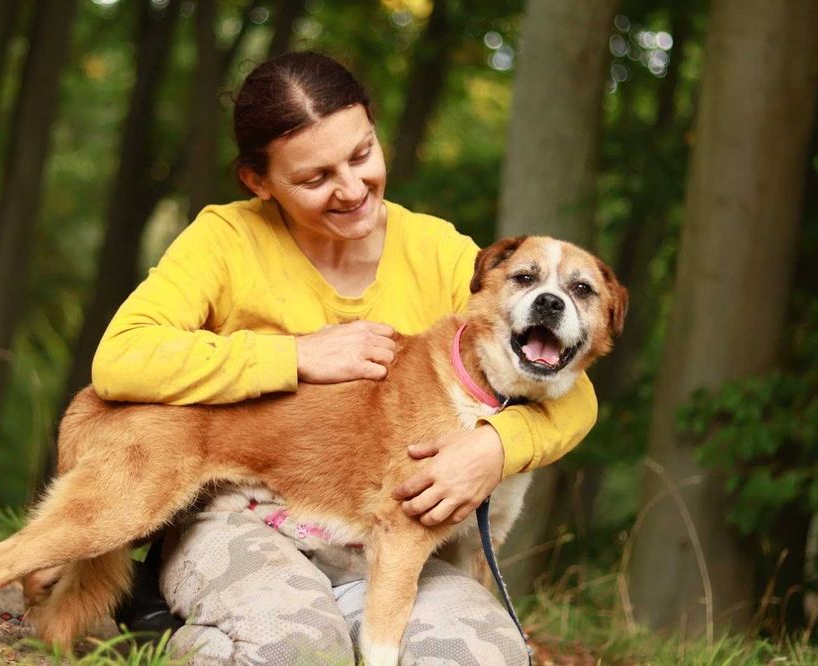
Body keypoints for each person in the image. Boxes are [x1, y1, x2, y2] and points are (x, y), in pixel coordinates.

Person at [91, 51, 597, 666]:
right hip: (244, 511)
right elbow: (122, 358)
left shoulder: (438, 251)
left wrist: (495, 447)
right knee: (296, 648)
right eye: (315, 178)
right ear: (258, 181)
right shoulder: (225, 240)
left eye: (362, 155)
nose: (353, 189)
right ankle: (175, 627)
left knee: (480, 657)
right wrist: (293, 355)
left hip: (390, 540)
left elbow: (574, 395)